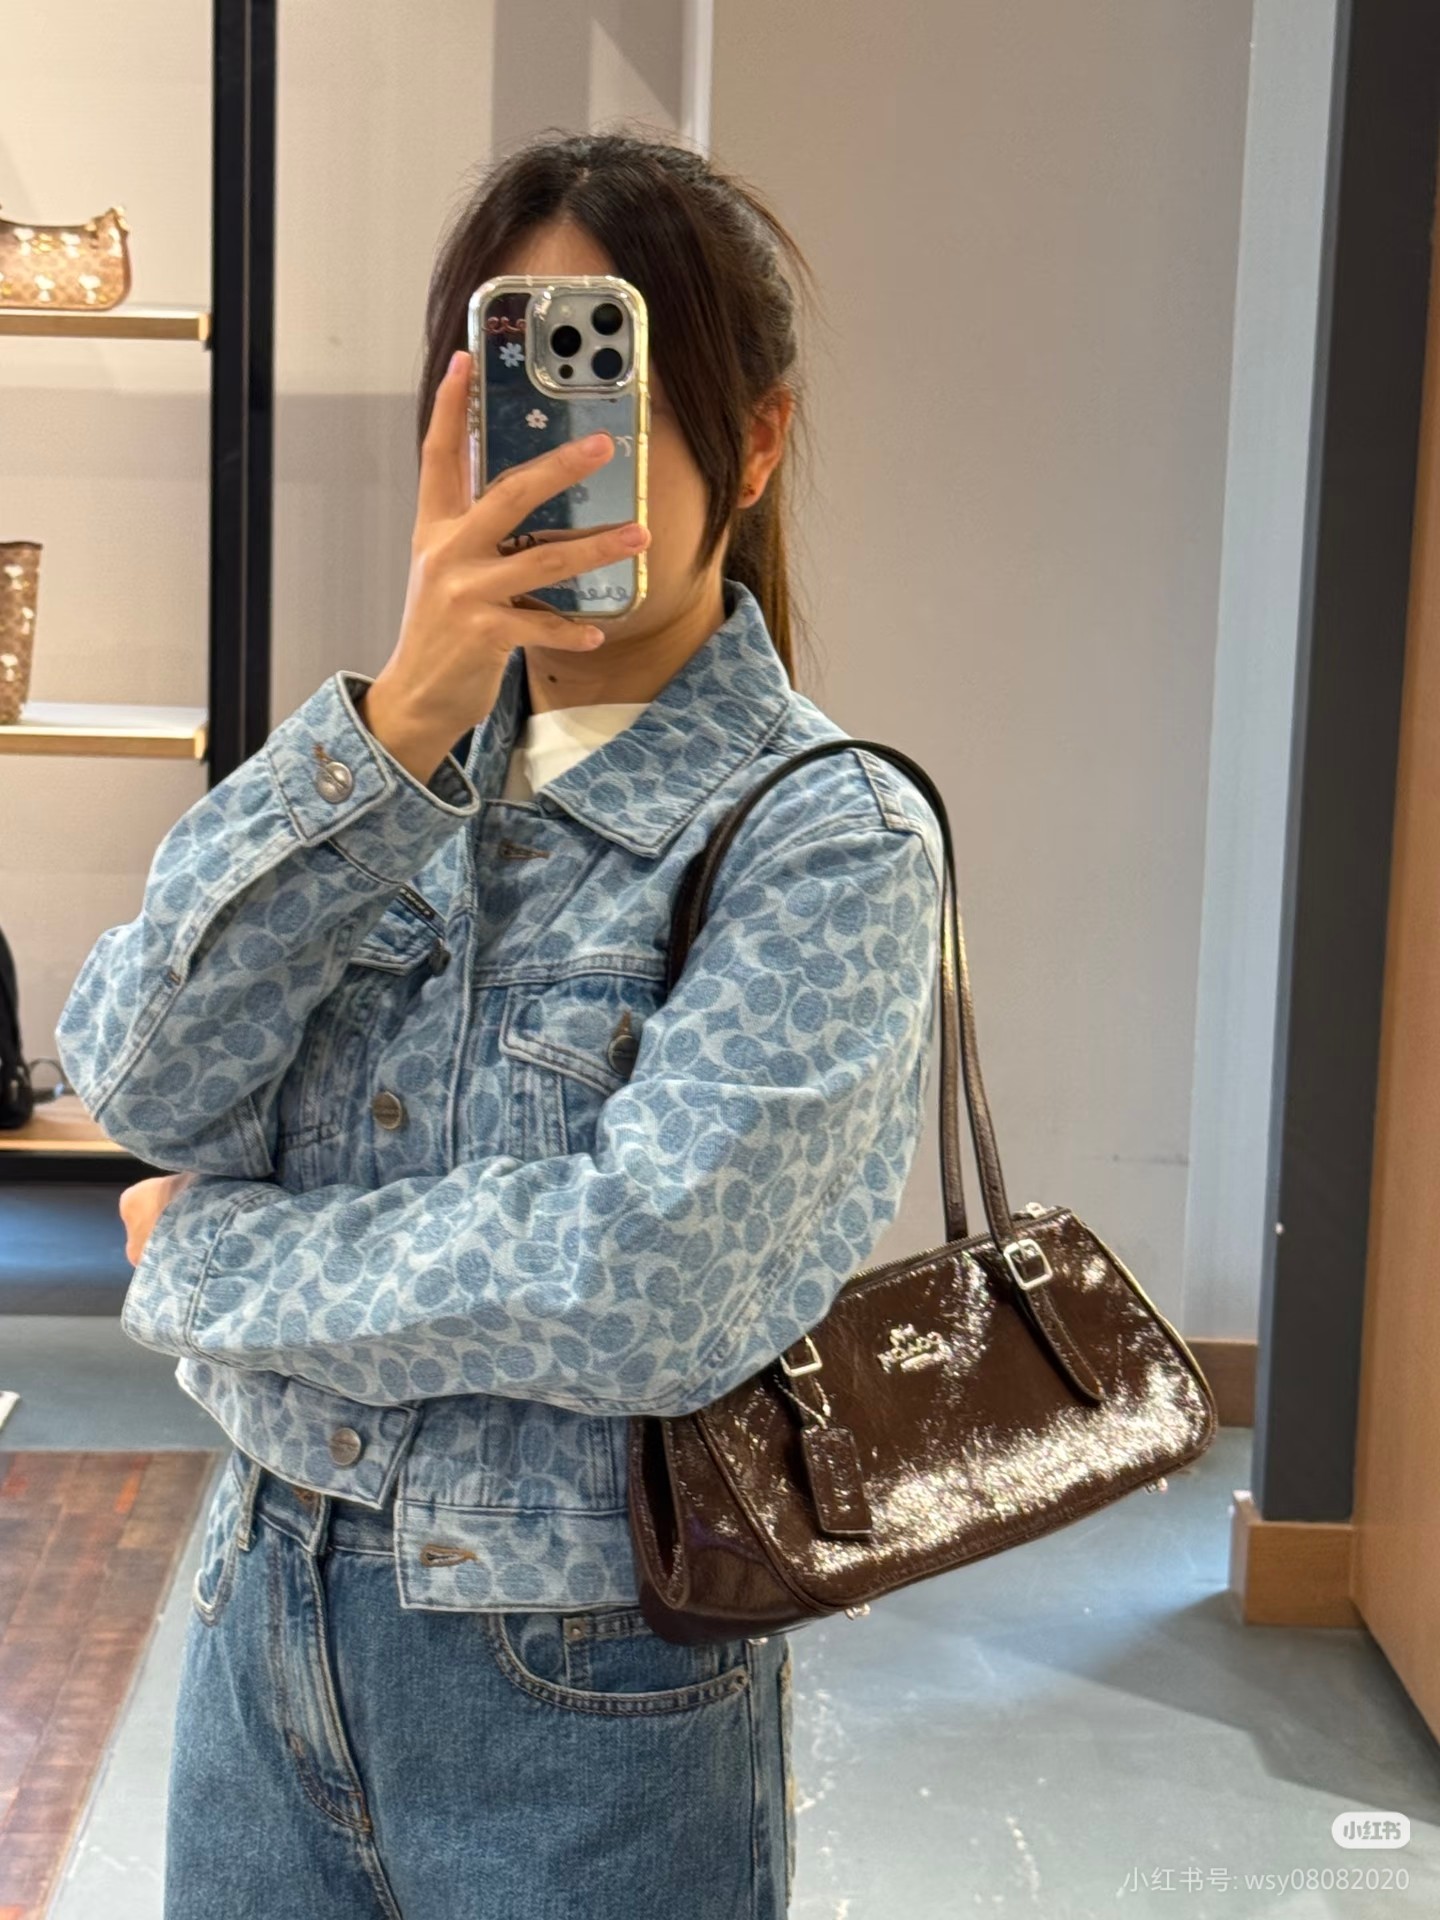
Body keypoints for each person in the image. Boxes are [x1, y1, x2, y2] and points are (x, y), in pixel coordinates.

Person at [55, 130, 944, 1920]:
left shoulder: (828, 835)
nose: (547, 464)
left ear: (754, 441)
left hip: (586, 1696)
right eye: (502, 405)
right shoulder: (382, 776)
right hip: (259, 1625)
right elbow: (141, 1075)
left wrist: (215, 1262)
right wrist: (393, 724)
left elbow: (649, 1284)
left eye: (603, 403)